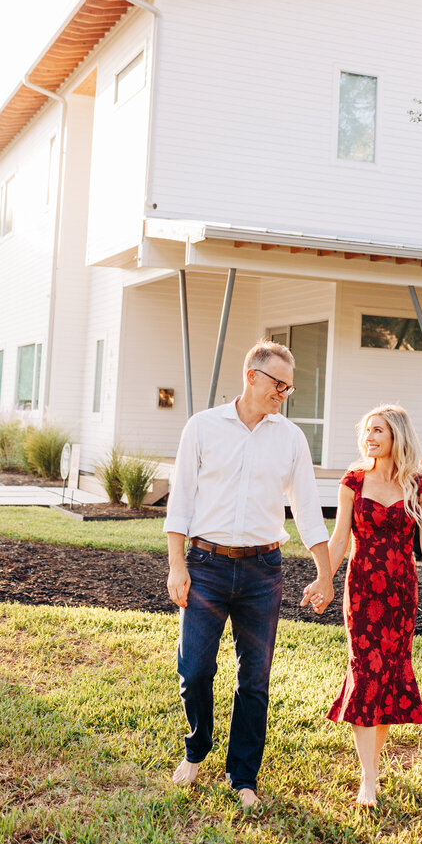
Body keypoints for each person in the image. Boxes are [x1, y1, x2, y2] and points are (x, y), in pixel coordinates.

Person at [165, 340, 334, 811]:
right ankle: (196, 750)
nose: (284, 392)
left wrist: (324, 575)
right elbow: (180, 501)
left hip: (263, 571)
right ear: (251, 376)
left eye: (289, 386)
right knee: (195, 669)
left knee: (254, 678)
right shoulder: (202, 428)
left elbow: (307, 510)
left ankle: (243, 777)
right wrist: (177, 565)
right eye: (278, 383)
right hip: (205, 566)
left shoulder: (291, 438)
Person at [309, 404, 422, 807]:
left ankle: (373, 766)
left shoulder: (420, 485)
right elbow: (338, 539)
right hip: (363, 587)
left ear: (396, 436)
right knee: (365, 671)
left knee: (388, 677)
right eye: (367, 430)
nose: (369, 437)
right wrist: (323, 578)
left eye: (378, 431)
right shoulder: (352, 481)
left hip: (401, 592)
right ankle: (368, 778)